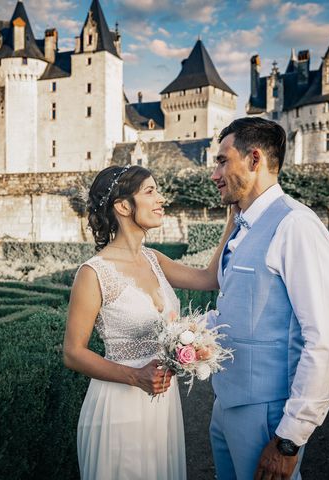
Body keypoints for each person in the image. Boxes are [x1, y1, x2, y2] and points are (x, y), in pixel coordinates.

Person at [62, 165, 233, 480]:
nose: (161, 199)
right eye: (150, 191)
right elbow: (73, 352)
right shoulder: (93, 272)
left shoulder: (154, 259)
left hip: (162, 405)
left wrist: (234, 214)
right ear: (124, 206)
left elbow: (211, 278)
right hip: (118, 406)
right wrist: (134, 376)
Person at [205, 117, 329, 480]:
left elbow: (324, 341)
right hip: (226, 406)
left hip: (267, 415)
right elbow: (238, 308)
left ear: (254, 160)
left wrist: (289, 439)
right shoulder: (242, 225)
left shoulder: (296, 226)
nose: (214, 173)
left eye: (222, 160)